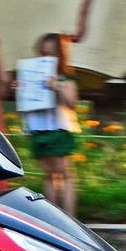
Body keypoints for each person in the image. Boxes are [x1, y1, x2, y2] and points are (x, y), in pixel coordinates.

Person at [22, 33, 81, 216]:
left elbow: (73, 102)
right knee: (50, 175)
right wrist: (22, 88)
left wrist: (58, 86)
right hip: (39, 131)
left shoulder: (65, 78)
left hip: (58, 129)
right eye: (43, 53)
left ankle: (69, 217)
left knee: (65, 174)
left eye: (51, 53)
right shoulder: (32, 76)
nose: (46, 58)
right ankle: (53, 217)